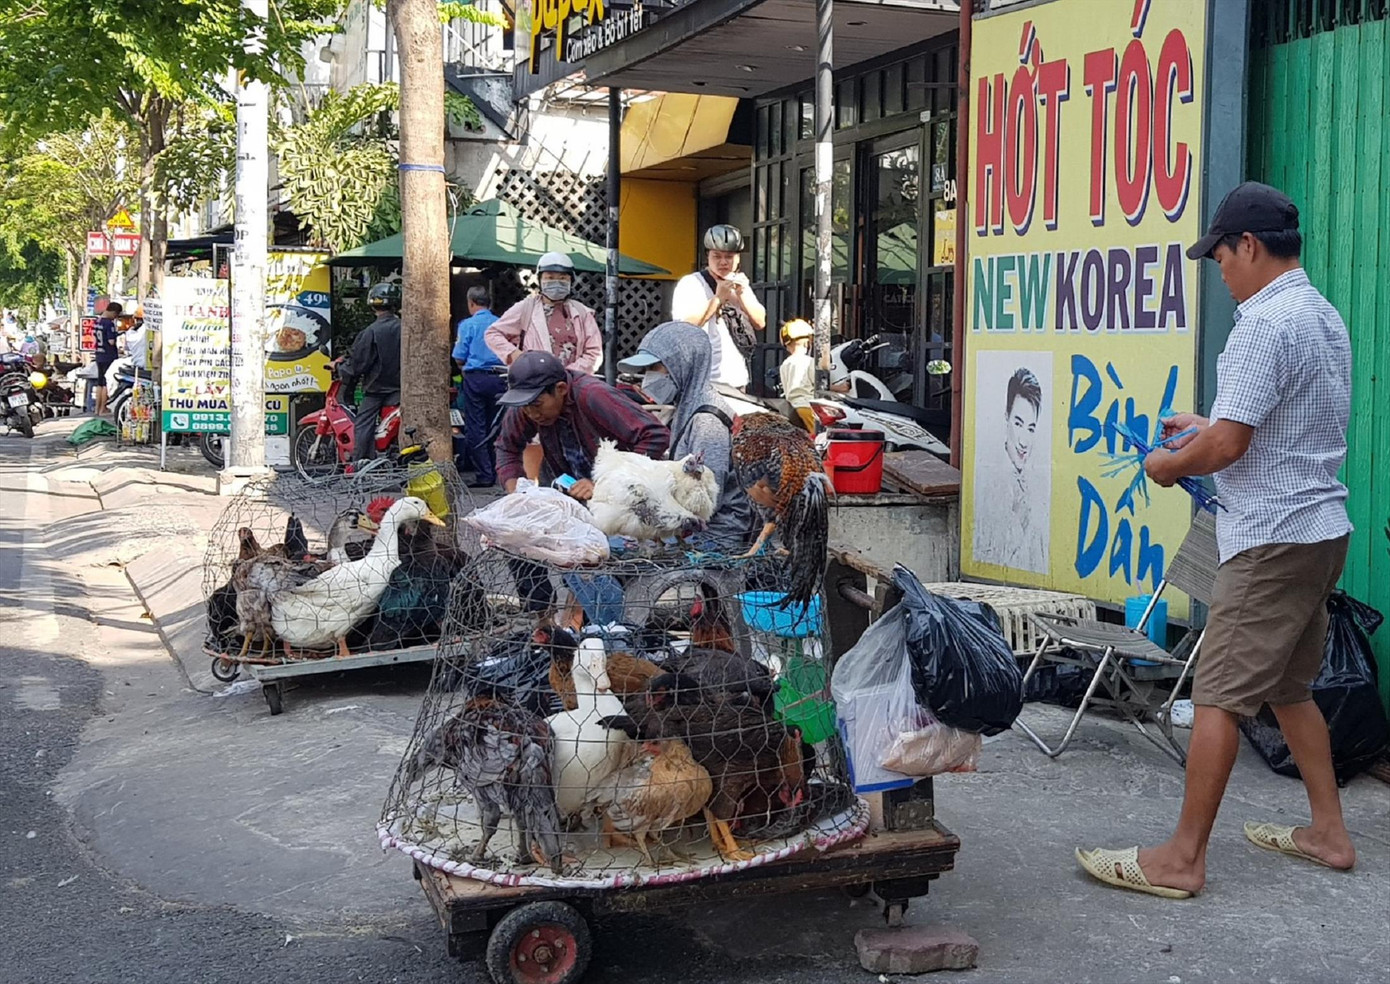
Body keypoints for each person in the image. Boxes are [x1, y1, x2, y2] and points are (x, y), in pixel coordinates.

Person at [1077, 181, 1356, 899]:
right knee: (1290, 689)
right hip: (1318, 530)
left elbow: (1231, 447)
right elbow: (1273, 428)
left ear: (1250, 247)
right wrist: (1205, 425)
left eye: (1222, 256)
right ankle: (1328, 832)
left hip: (1269, 538)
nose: (1220, 271)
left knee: (1219, 696)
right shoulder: (1321, 316)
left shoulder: (1262, 324)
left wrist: (1169, 464)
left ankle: (1181, 859)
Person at [618, 321, 758, 548]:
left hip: (714, 540)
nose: (648, 378)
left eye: (656, 368)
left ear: (683, 364)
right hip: (690, 532)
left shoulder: (706, 419)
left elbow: (704, 498)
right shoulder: (687, 408)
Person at [494, 351, 669, 497]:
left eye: (537, 405)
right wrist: (515, 492)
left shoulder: (592, 395)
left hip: (625, 496)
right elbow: (506, 448)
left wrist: (606, 484)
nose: (531, 414)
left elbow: (656, 436)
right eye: (525, 407)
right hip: (570, 490)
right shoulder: (527, 403)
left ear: (561, 389)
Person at [671, 224, 766, 389]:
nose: (723, 262)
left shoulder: (739, 284)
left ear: (738, 258)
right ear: (707, 256)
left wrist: (742, 293)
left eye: (729, 257)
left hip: (737, 380)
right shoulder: (691, 283)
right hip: (702, 382)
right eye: (717, 256)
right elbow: (683, 328)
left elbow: (760, 322)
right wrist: (717, 299)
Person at [973, 367, 1048, 574]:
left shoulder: (1033, 487)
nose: (1024, 441)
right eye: (1018, 423)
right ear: (1006, 417)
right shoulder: (992, 481)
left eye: (1031, 428)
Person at [485, 252, 602, 374]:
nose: (556, 282)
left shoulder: (582, 313)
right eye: (550, 278)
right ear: (540, 280)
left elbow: (594, 352)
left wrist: (568, 374)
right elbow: (493, 334)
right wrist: (518, 357)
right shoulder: (526, 308)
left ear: (571, 281)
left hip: (572, 384)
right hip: (532, 382)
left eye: (562, 278)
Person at [340, 282, 402, 466]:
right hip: (401, 388)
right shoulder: (406, 328)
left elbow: (358, 363)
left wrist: (342, 370)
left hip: (377, 389)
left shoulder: (371, 331)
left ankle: (362, 464)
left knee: (363, 423)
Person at [452, 286, 503, 488]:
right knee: (497, 425)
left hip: (476, 379)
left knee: (476, 426)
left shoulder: (467, 325)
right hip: (501, 377)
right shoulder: (501, 323)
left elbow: (459, 357)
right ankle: (500, 469)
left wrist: (464, 369)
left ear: (471, 302)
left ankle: (485, 473)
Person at [777, 319, 818, 433]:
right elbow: (819, 384)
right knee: (815, 441)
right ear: (807, 342)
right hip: (808, 407)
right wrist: (841, 387)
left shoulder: (785, 364)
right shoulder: (809, 362)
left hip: (791, 410)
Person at [92, 301, 122, 417]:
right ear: (113, 312)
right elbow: (111, 341)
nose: (116, 317)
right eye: (116, 315)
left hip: (99, 354)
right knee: (106, 382)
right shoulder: (109, 324)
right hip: (108, 355)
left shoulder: (97, 321)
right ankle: (103, 408)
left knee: (100, 382)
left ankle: (97, 409)